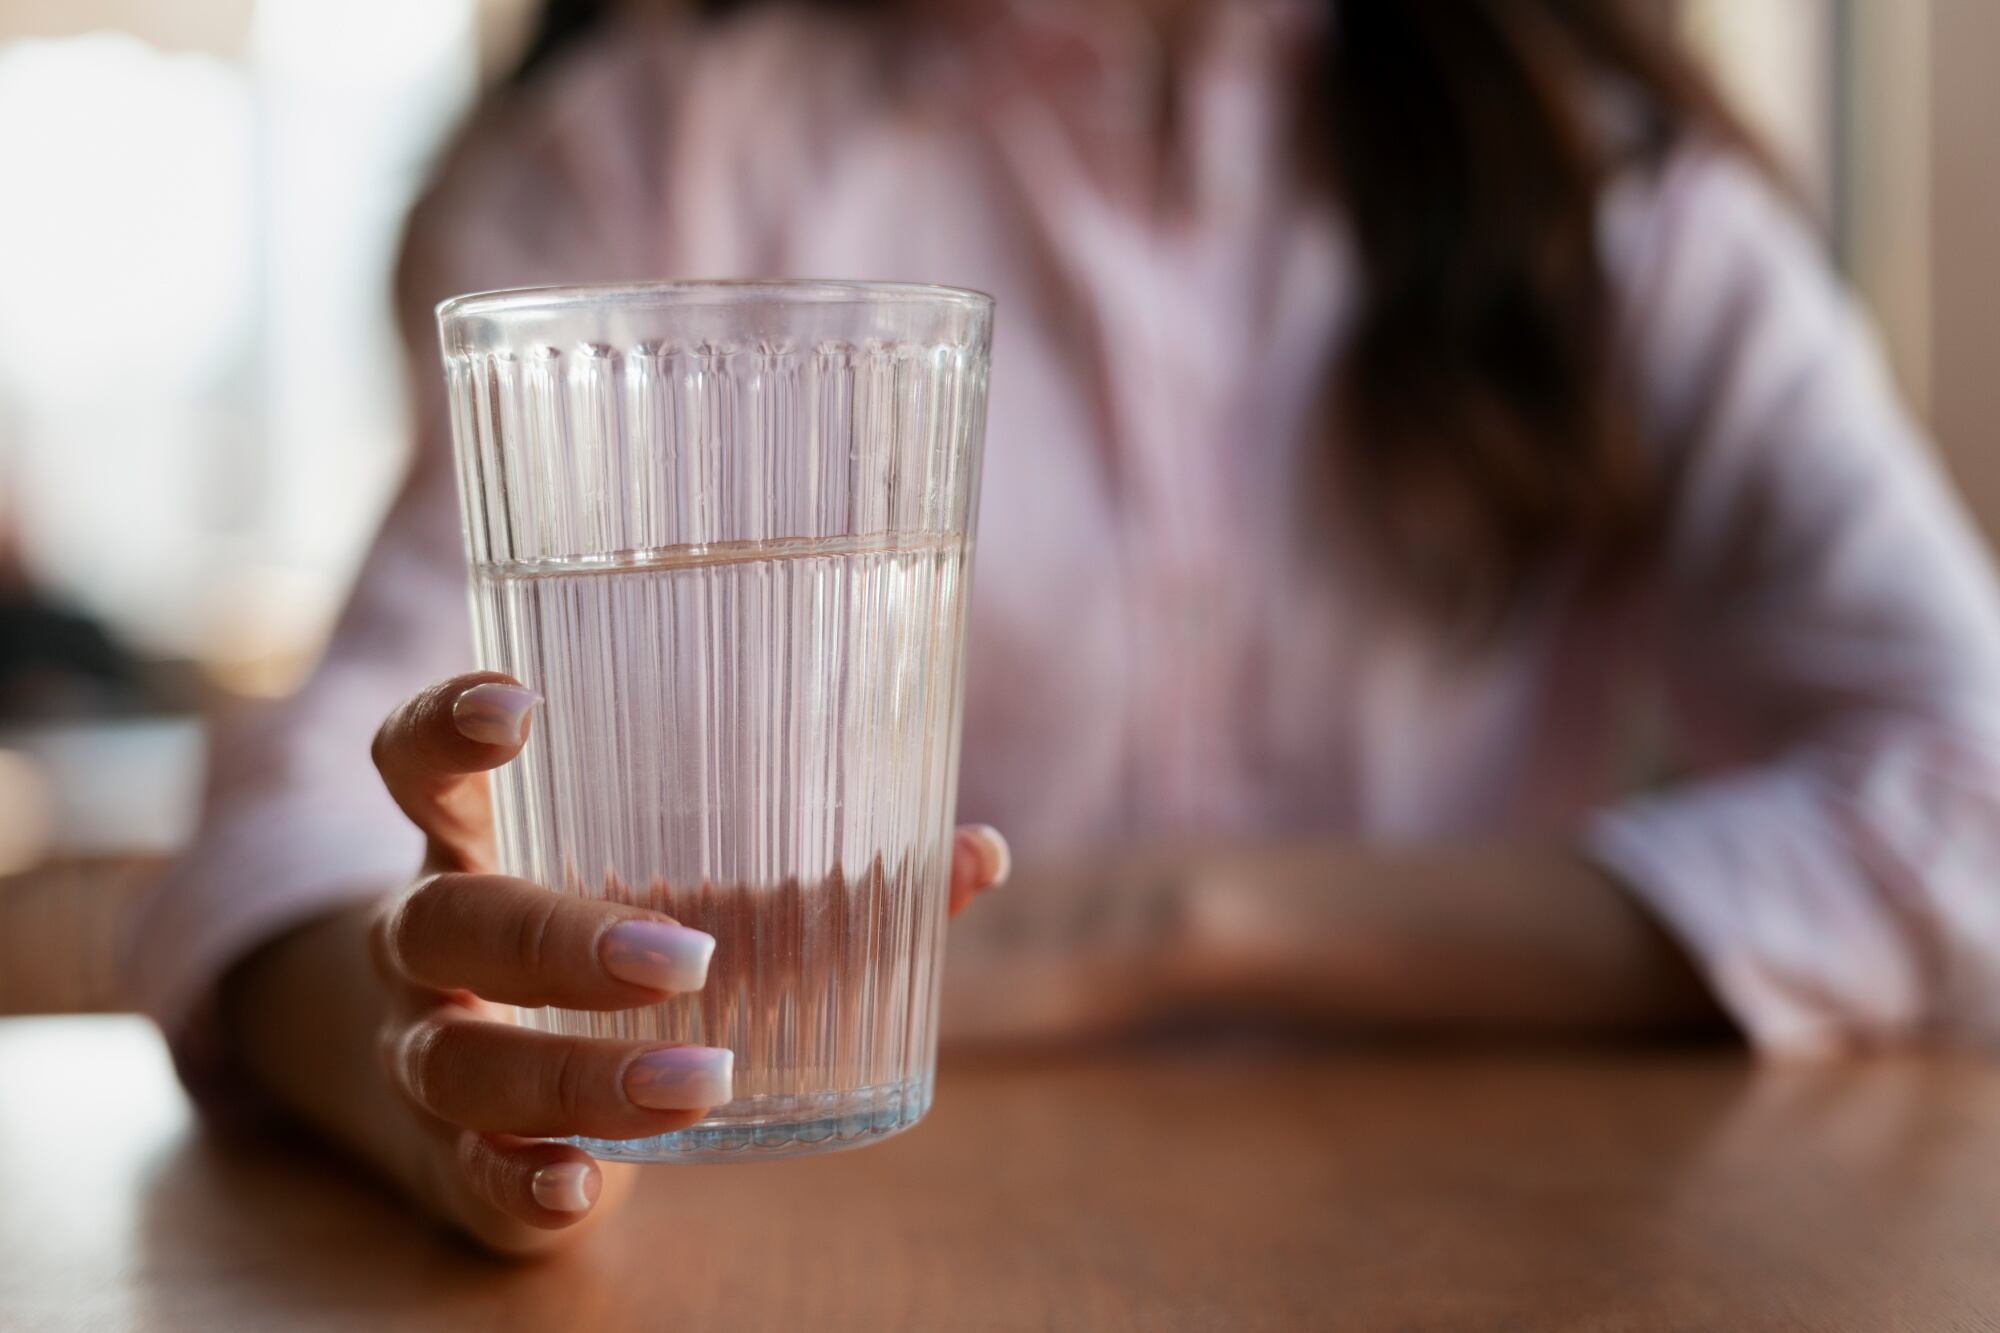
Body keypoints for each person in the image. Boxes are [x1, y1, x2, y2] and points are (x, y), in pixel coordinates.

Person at [127, 0, 2000, 1254]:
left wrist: (1152, 927)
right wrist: (427, 1059)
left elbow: (1971, 799)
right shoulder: (664, 153)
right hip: (834, 1258)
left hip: (1504, 1254)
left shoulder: (1609, 189)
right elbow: (305, 836)